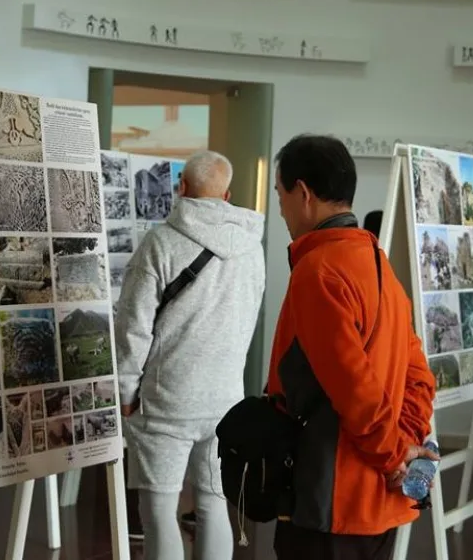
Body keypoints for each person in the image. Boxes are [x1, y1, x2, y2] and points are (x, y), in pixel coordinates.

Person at [266, 134, 437, 559]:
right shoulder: (377, 262)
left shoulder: (319, 272)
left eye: (280, 195)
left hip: (333, 496)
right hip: (380, 499)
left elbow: (354, 388)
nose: (282, 209)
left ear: (302, 193)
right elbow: (420, 376)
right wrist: (408, 444)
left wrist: (396, 455)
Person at [114, 150, 266, 560]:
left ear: (182, 187)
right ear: (228, 194)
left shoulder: (161, 243)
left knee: (160, 511)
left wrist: (126, 390)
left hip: (166, 402)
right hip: (225, 400)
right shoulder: (253, 247)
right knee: (215, 504)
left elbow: (133, 326)